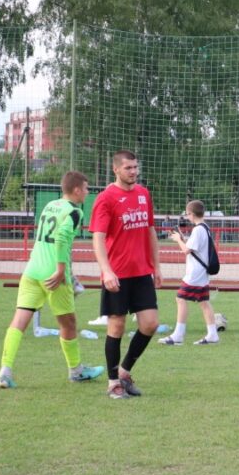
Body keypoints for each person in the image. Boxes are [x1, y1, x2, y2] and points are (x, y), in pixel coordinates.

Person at [0, 172, 104, 388]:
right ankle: (76, 371)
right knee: (68, 323)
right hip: (54, 275)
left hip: (32, 271)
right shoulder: (75, 212)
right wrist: (62, 271)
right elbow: (62, 238)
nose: (87, 192)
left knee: (19, 321)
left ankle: (5, 371)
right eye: (86, 188)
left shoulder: (50, 206)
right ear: (76, 190)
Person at [90, 150, 162, 399]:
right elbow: (98, 238)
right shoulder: (106, 198)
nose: (133, 172)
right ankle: (113, 383)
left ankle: (124, 371)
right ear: (116, 170)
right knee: (117, 326)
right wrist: (106, 270)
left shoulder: (143, 194)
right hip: (117, 273)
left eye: (135, 167)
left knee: (150, 323)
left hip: (142, 272)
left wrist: (157, 266)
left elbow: (150, 230)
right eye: (128, 168)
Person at [160, 200, 220, 346]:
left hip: (195, 273)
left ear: (192, 214)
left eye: (187, 214)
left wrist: (178, 240)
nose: (187, 217)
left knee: (180, 298)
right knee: (204, 302)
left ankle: (178, 335)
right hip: (202, 273)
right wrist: (182, 238)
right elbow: (194, 246)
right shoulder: (204, 227)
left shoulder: (198, 229)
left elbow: (187, 250)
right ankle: (212, 334)